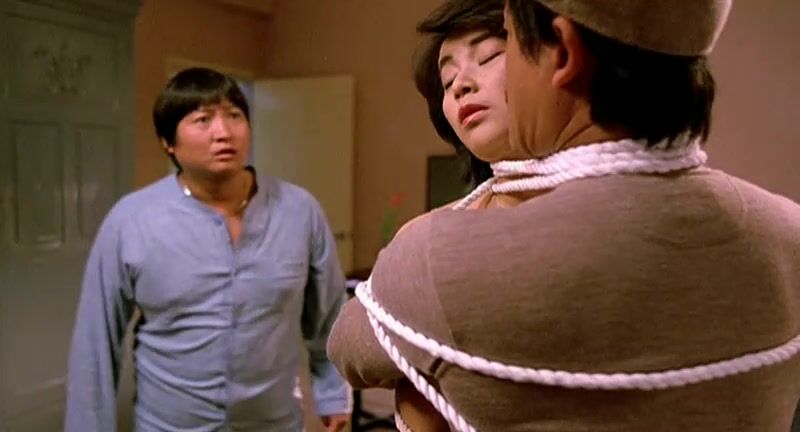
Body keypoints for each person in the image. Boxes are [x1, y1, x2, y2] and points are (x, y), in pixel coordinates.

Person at [328, 0, 800, 431]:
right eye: (447, 81)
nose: (463, 85)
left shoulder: (440, 256)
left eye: (503, 49)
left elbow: (348, 348)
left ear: (564, 52)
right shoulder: (788, 233)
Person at [65, 67, 351, 432]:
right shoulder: (131, 220)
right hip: (168, 425)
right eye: (203, 120)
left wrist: (333, 393)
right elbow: (95, 342)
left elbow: (329, 313)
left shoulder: (299, 210)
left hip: (273, 422)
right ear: (168, 142)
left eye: (234, 116)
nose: (224, 132)